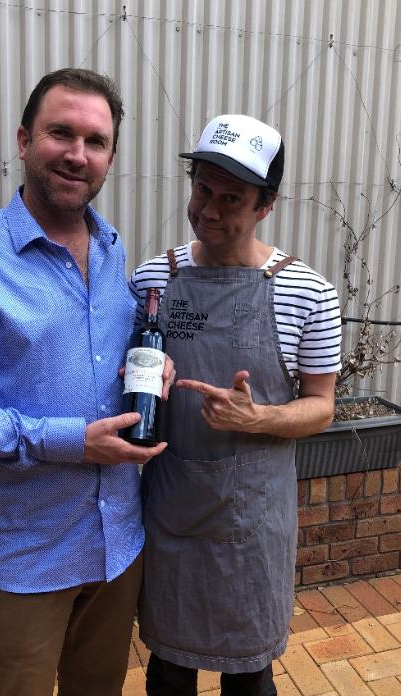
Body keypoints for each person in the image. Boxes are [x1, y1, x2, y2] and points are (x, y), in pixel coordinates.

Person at [0, 68, 174, 696]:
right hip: (26, 558)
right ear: (25, 140)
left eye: (95, 141)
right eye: (61, 133)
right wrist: (70, 440)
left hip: (116, 546)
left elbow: (114, 353)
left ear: (111, 156)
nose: (77, 155)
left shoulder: (112, 248)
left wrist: (151, 364)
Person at [129, 114, 342, 696]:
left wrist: (262, 417)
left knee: (249, 675)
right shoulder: (154, 279)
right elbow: (130, 377)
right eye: (202, 190)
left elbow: (322, 405)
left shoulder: (309, 291)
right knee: (169, 671)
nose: (210, 211)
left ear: (266, 206)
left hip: (253, 520)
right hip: (171, 509)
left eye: (232, 199)